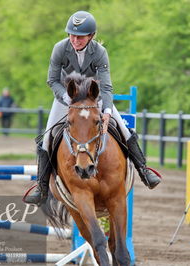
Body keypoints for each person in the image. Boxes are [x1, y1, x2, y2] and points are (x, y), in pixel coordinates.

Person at [24, 11, 161, 205]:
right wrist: (68, 97)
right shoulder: (60, 48)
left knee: (122, 128)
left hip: (93, 99)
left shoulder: (99, 52)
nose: (75, 40)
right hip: (65, 98)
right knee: (47, 138)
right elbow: (52, 80)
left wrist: (105, 112)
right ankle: (42, 187)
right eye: (72, 35)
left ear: (91, 36)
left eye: (80, 37)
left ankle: (144, 171)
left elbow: (105, 87)